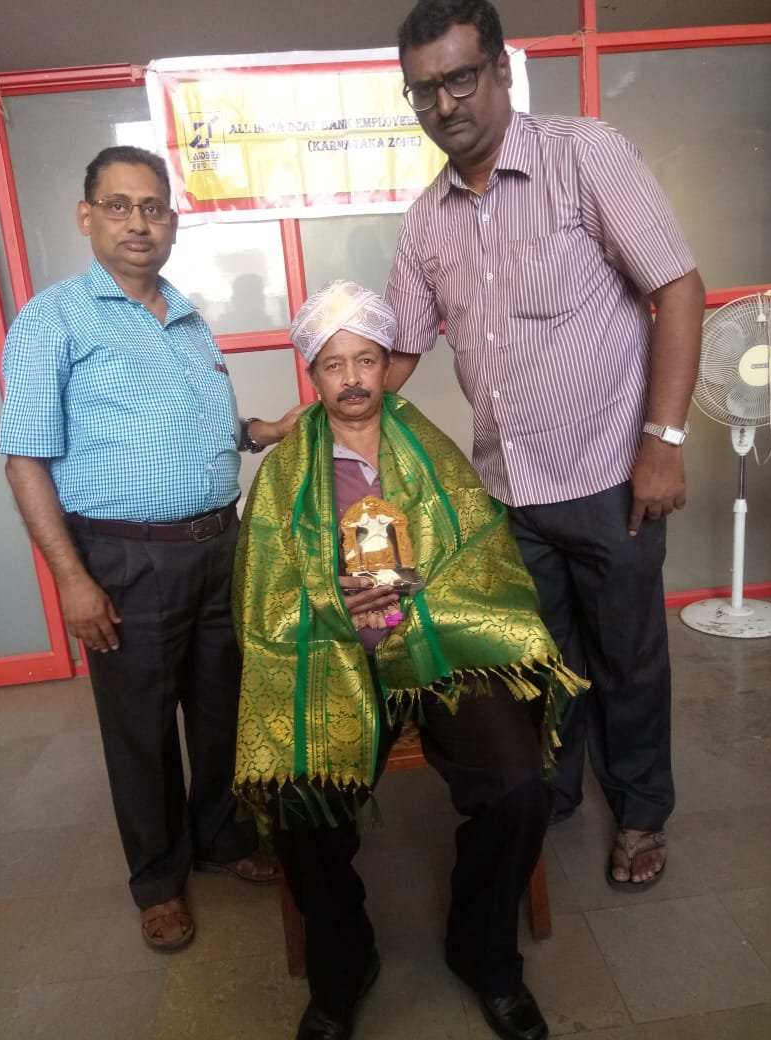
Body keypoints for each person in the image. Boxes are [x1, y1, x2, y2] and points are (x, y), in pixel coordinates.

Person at [384, 0, 706, 890]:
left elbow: (678, 288)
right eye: (422, 90)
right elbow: (400, 349)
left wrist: (664, 441)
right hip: (508, 492)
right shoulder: (427, 218)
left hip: (612, 475)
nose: (444, 103)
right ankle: (554, 792)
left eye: (459, 77)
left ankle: (640, 812)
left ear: (501, 69)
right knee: (544, 663)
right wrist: (323, 408)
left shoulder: (583, 155)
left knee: (628, 659)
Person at [232, 279, 587, 1040]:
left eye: (366, 360)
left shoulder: (427, 447)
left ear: (388, 364)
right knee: (300, 798)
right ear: (312, 373)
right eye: (334, 364)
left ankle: (484, 953)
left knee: (519, 785)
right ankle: (343, 968)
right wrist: (331, 596)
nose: (352, 379)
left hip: (439, 645)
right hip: (330, 656)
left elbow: (483, 552)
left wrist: (426, 586)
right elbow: (263, 593)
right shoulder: (286, 473)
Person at [0, 145, 304, 951]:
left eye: (154, 207)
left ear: (172, 221)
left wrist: (261, 431)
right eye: (119, 205)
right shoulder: (54, 320)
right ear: (86, 216)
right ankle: (159, 881)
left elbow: (200, 430)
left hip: (219, 548)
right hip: (126, 560)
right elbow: (24, 459)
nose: (139, 222)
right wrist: (72, 579)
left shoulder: (188, 315)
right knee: (141, 729)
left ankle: (222, 838)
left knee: (221, 710)